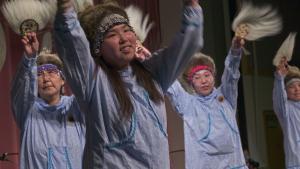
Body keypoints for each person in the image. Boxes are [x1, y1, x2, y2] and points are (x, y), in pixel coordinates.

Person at [54, 0, 203, 168]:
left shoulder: (154, 73)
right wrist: (66, 7)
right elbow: (72, 42)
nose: (124, 38)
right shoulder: (93, 81)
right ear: (97, 48)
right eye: (112, 35)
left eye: (127, 30)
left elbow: (190, 41)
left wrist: (191, 5)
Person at [167, 35, 248, 169]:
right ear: (191, 82)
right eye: (197, 77)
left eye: (207, 75)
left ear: (214, 76)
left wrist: (235, 51)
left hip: (234, 163)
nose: (204, 81)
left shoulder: (226, 96)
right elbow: (170, 85)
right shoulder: (187, 103)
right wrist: (150, 59)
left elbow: (231, 74)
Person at [10, 32, 85, 169]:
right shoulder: (28, 112)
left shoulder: (76, 107)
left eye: (51, 72)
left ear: (63, 80)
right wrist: (29, 58)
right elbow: (21, 87)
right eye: (39, 74)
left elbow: (89, 87)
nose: (45, 78)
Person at [273, 57, 300, 168]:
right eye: (291, 87)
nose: (297, 89)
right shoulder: (286, 110)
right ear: (285, 90)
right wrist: (279, 78)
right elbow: (279, 98)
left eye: (299, 85)